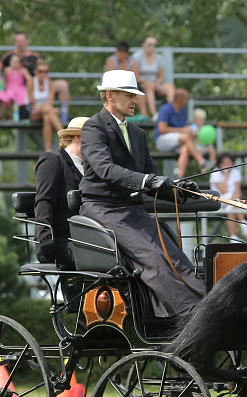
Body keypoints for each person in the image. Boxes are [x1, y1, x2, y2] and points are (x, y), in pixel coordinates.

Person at [78, 69, 201, 318]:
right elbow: (106, 170)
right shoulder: (94, 128)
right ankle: (188, 315)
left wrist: (180, 192)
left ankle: (207, 305)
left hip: (132, 210)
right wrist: (148, 180)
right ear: (110, 96)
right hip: (103, 210)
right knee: (152, 258)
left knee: (175, 256)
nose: (135, 100)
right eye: (129, 95)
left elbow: (152, 178)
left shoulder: (137, 134)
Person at [34, 116, 90, 269]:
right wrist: (45, 239)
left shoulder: (90, 169)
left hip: (88, 240)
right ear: (78, 138)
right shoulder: (53, 160)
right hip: (60, 241)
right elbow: (44, 201)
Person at [2, 31, 70, 123]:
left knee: (63, 85)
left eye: (22, 41)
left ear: (26, 42)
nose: (20, 43)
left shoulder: (34, 56)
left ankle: (64, 116)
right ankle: (6, 115)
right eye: (18, 41)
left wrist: (46, 83)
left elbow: (43, 68)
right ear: (15, 43)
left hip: (39, 85)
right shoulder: (9, 56)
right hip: (22, 89)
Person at [155, 88, 213, 177]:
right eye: (186, 99)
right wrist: (182, 130)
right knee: (185, 137)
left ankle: (179, 178)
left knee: (185, 148)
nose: (187, 101)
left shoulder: (182, 111)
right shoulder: (165, 109)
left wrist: (190, 131)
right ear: (180, 99)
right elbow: (161, 129)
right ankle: (201, 161)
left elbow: (182, 129)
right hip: (162, 141)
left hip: (178, 141)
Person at [210, 153, 247, 241]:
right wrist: (226, 175)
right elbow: (224, 191)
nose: (227, 165)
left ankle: (233, 237)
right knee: (232, 200)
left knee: (232, 207)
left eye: (229, 162)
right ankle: (243, 223)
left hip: (233, 202)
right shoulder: (215, 173)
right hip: (219, 200)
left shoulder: (236, 172)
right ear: (220, 164)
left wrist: (234, 199)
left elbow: (238, 191)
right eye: (225, 163)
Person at [134, 36, 174, 117]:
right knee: (149, 86)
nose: (152, 47)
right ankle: (154, 114)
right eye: (149, 44)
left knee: (170, 87)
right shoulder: (137, 57)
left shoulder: (159, 58)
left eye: (154, 45)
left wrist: (157, 83)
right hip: (142, 85)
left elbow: (160, 77)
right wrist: (147, 83)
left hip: (155, 85)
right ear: (143, 45)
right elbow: (135, 76)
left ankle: (171, 112)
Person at [30, 61, 65, 152]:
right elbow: (31, 103)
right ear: (36, 72)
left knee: (46, 117)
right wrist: (47, 109)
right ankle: (64, 135)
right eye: (40, 71)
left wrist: (43, 107)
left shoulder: (49, 83)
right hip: (33, 112)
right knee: (49, 111)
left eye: (46, 71)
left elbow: (50, 102)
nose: (43, 74)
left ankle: (48, 149)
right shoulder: (31, 82)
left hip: (45, 111)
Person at [2, 54, 31, 119]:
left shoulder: (23, 70)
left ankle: (20, 115)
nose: (15, 63)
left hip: (20, 88)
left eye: (17, 61)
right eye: (13, 61)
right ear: (10, 62)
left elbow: (29, 79)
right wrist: (5, 89)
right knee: (8, 97)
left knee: (23, 99)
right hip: (10, 88)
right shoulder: (7, 70)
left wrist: (28, 87)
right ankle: (8, 114)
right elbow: (5, 80)